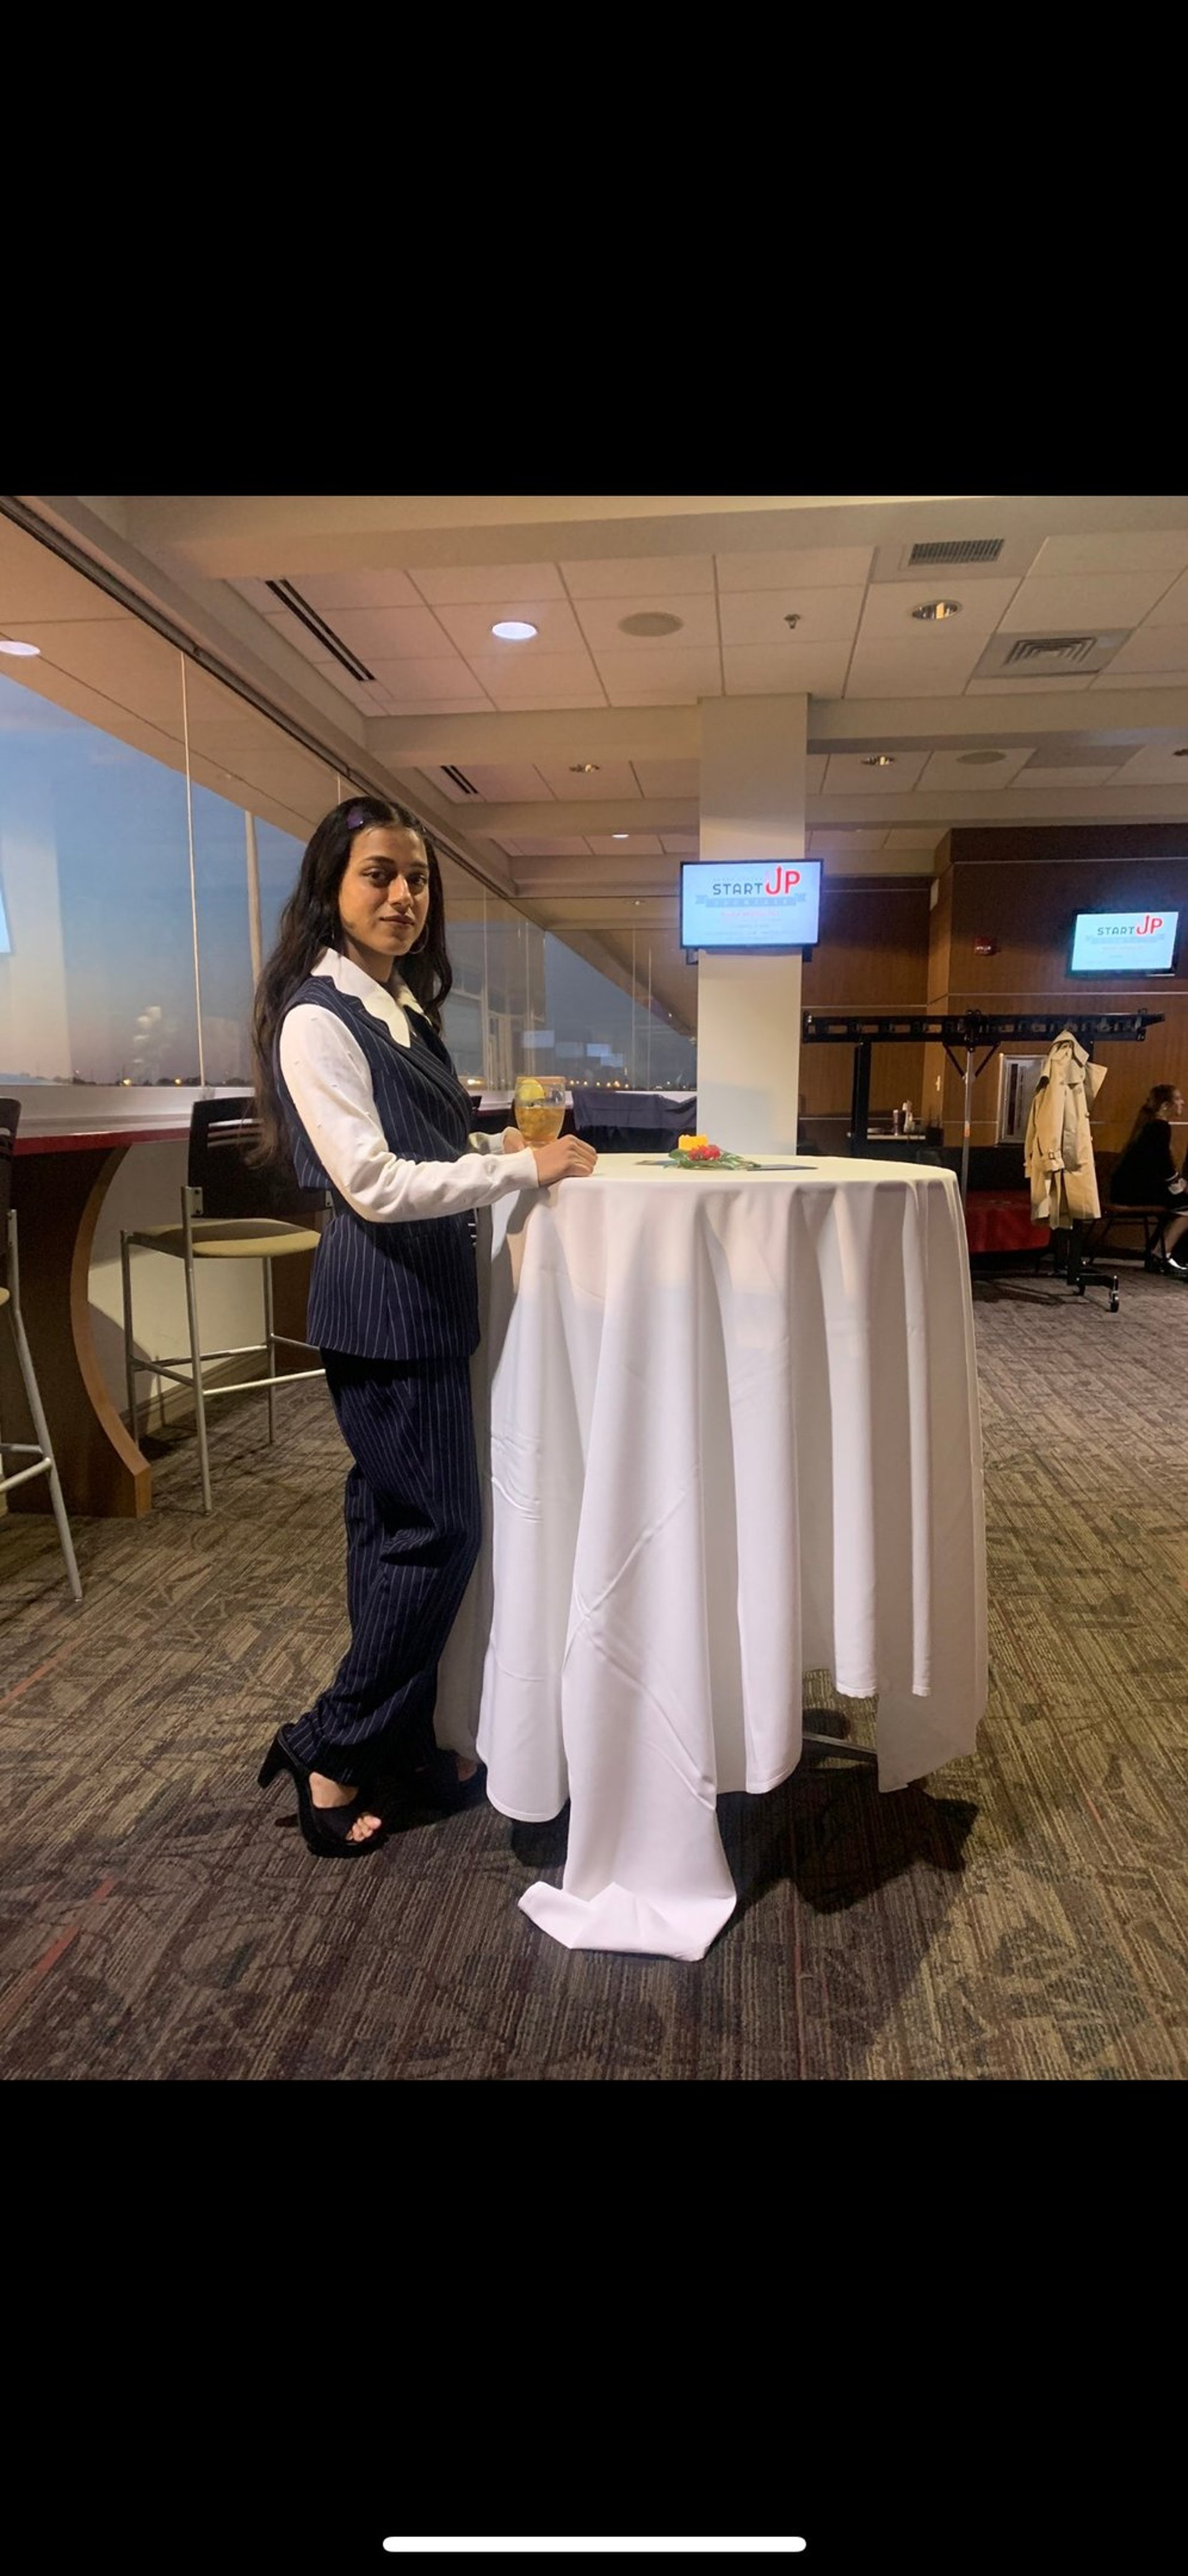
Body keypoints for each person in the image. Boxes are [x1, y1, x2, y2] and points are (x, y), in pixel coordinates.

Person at [250, 795, 598, 1857]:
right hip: (382, 1305)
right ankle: (331, 1746)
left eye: (418, 879)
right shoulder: (318, 1015)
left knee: (389, 1530)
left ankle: (391, 1736)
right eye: (380, 875)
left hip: (424, 1299)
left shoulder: (396, 1004)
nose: (404, 894)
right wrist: (520, 1166)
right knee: (440, 1530)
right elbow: (372, 1181)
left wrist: (496, 1137)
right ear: (332, 889)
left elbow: (421, 1140)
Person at [1108, 1083, 1188, 1272]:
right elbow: (1164, 1167)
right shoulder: (1160, 1127)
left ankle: (1158, 1252)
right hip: (1134, 1192)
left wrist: (1179, 1184)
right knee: (1186, 1206)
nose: (1182, 1103)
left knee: (1180, 1204)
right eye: (1178, 1099)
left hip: (1128, 1188)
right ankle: (1162, 1254)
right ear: (1166, 1106)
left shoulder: (1150, 1126)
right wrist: (1179, 1186)